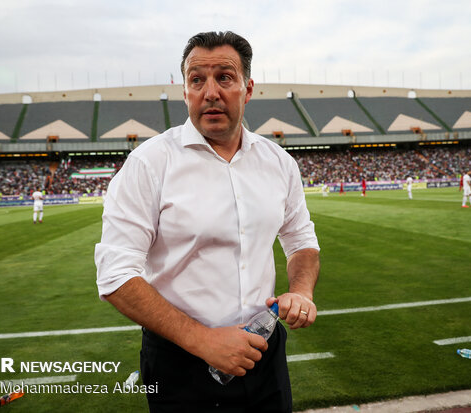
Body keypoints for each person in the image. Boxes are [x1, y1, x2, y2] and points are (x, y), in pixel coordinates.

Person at [95, 31, 320, 412]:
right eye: (197, 79)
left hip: (263, 354)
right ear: (185, 91)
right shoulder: (150, 163)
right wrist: (203, 341)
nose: (210, 91)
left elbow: (301, 242)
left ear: (247, 90)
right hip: (180, 363)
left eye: (224, 78)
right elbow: (116, 273)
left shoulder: (279, 163)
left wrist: (301, 291)